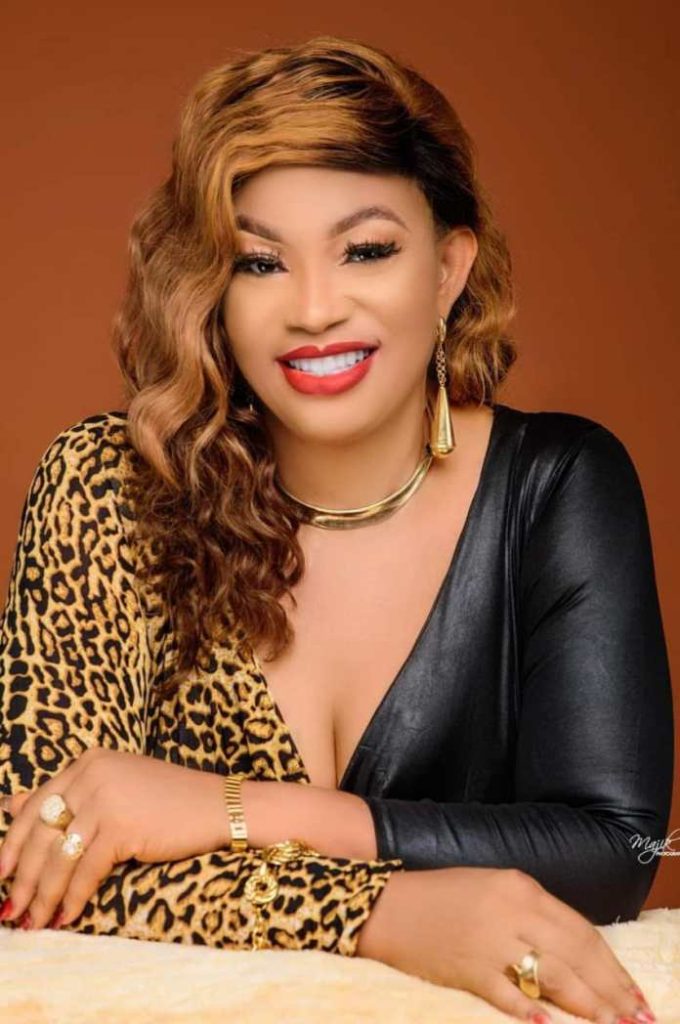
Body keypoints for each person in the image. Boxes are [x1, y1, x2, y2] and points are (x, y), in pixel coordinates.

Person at [0, 33, 671, 1024]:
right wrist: (386, 913)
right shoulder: (110, 486)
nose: (314, 309)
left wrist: (225, 810)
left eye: (365, 250)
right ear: (211, 289)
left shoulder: (558, 486)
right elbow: (33, 867)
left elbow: (615, 850)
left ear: (447, 270)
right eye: (259, 261)